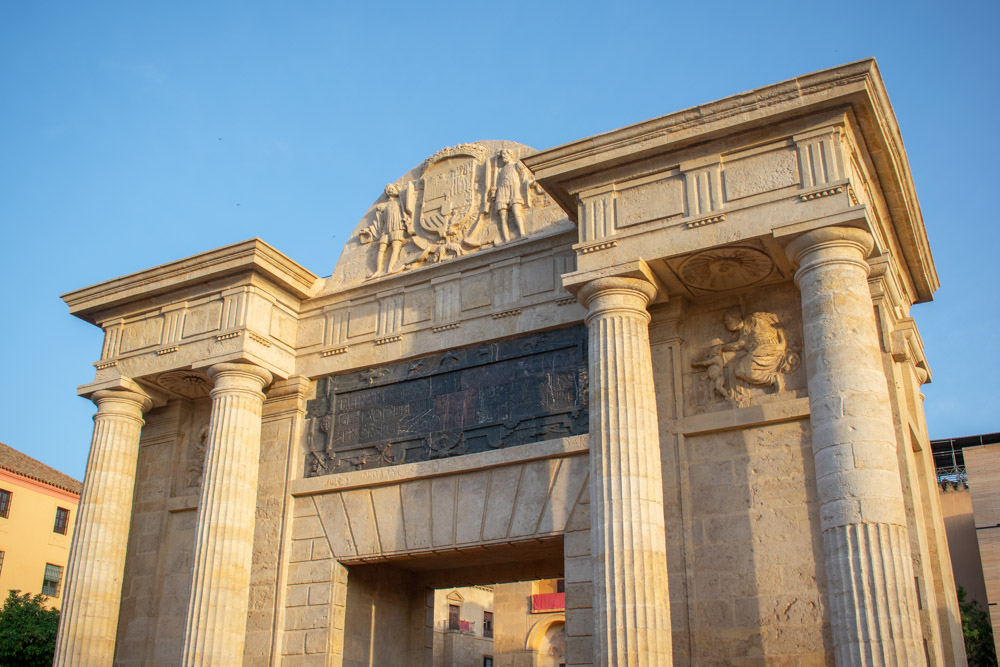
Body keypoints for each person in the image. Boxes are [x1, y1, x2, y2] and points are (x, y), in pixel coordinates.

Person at [722, 308, 795, 391]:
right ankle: (772, 378)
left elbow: (773, 327)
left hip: (766, 348)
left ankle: (773, 379)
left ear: (737, 318)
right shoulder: (743, 331)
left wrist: (782, 343)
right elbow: (740, 344)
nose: (726, 324)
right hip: (758, 351)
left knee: (740, 370)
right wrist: (722, 348)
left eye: (728, 321)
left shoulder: (753, 319)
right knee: (739, 371)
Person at [363, 183, 410, 276]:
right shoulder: (384, 205)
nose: (390, 191)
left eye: (392, 189)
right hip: (386, 229)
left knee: (396, 247)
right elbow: (379, 217)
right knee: (381, 249)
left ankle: (390, 268)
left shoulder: (400, 202)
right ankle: (378, 270)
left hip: (397, 226)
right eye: (388, 190)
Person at [491, 149, 534, 242]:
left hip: (513, 189)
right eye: (501, 156)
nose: (503, 158)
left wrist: (528, 183)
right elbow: (497, 183)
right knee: (502, 215)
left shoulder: (516, 165)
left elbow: (524, 176)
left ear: (510, 154)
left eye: (504, 155)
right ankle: (506, 239)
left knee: (516, 210)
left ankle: (522, 233)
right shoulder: (500, 171)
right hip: (502, 191)